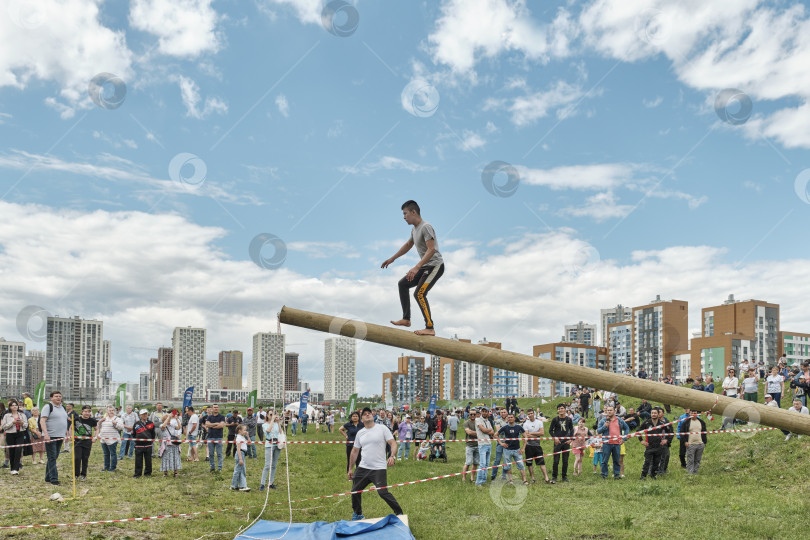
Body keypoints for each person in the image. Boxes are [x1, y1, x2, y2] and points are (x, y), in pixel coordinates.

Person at [382, 200, 445, 336]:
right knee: (402, 284)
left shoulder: (426, 227)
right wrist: (393, 258)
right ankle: (406, 319)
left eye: (405, 214)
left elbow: (431, 250)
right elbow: (408, 244)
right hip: (425, 266)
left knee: (419, 294)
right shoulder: (414, 229)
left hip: (435, 266)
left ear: (413, 212)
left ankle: (430, 327)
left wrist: (416, 267)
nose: (404, 217)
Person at [347, 407, 402, 521]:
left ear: (373, 416)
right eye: (364, 414)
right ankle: (358, 515)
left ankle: (399, 514)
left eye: (369, 413)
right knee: (355, 491)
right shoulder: (360, 433)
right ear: (361, 419)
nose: (367, 415)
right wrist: (350, 469)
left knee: (383, 492)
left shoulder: (382, 428)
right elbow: (355, 451)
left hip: (379, 468)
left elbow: (393, 443)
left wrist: (392, 456)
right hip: (363, 467)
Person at [40, 391, 68, 485]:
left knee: (54, 457)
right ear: (51, 398)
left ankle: (48, 477)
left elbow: (64, 421)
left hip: (60, 436)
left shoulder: (63, 408)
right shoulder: (48, 407)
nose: (58, 398)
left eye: (60, 396)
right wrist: (46, 434)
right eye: (56, 396)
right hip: (51, 436)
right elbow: (42, 421)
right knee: (52, 457)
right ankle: (54, 479)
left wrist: (66, 433)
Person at [638, 408, 673, 480]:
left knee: (656, 462)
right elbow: (638, 431)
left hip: (659, 446)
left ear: (658, 414)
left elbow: (670, 432)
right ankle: (643, 476)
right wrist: (641, 440)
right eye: (652, 413)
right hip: (649, 446)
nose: (653, 414)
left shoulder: (662, 423)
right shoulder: (646, 422)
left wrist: (666, 440)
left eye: (655, 413)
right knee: (647, 462)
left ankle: (653, 476)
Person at [597, 405, 629, 480]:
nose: (609, 412)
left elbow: (627, 428)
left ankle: (616, 475)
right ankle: (604, 475)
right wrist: (605, 426)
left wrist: (624, 438)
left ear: (614, 411)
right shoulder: (603, 421)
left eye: (610, 410)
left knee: (616, 460)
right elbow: (598, 431)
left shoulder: (620, 420)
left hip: (617, 443)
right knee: (604, 461)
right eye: (607, 410)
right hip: (606, 443)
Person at [498, 413, 528, 485]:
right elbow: (495, 435)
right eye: (509, 417)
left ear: (514, 418)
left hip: (517, 450)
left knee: (521, 465)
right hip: (507, 450)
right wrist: (501, 443)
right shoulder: (505, 427)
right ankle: (511, 480)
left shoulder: (519, 427)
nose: (510, 418)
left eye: (511, 417)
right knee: (508, 466)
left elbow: (526, 437)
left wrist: (523, 448)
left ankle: (524, 480)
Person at [522, 409, 550, 483]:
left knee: (542, 462)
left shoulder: (539, 422)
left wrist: (531, 433)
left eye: (531, 413)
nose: (530, 415)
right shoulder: (525, 423)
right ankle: (532, 478)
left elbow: (542, 433)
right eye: (529, 414)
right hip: (529, 446)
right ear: (527, 415)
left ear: (534, 414)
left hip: (537, 445)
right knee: (529, 463)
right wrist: (537, 433)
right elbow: (526, 435)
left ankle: (546, 478)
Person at [549, 403, 574, 484]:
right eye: (559, 408)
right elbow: (550, 430)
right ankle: (554, 477)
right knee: (556, 460)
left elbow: (572, 430)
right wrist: (555, 438)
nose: (560, 410)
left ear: (565, 409)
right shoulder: (555, 419)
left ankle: (564, 476)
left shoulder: (569, 419)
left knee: (565, 460)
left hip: (566, 442)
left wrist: (570, 439)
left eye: (562, 408)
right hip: (557, 442)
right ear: (557, 410)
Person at [72, 405, 98, 481]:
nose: (87, 413)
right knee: (77, 458)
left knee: (85, 458)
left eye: (89, 412)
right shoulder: (76, 419)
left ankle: (83, 475)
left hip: (87, 442)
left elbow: (96, 429)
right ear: (82, 412)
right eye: (85, 411)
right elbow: (71, 428)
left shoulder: (92, 420)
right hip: (77, 441)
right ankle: (76, 475)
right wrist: (71, 436)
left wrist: (95, 437)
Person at [1, 399, 27, 475]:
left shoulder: (22, 415)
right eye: (12, 405)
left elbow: (26, 425)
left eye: (16, 405)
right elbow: (4, 426)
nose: (14, 406)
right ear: (9, 407)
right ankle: (12, 468)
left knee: (18, 450)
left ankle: (16, 468)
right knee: (11, 451)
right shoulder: (6, 415)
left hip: (20, 433)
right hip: (10, 434)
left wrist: (21, 423)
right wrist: (12, 422)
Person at [260, 411, 282, 491]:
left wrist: (278, 422)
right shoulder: (264, 425)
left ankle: (270, 483)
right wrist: (272, 420)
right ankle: (262, 483)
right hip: (269, 445)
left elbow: (280, 432)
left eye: (274, 414)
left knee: (274, 465)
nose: (272, 416)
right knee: (267, 465)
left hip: (277, 445)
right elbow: (268, 431)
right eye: (271, 414)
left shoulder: (276, 424)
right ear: (267, 416)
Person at [97, 406, 123, 472]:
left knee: (113, 453)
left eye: (112, 410)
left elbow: (121, 427)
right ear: (107, 411)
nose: (111, 411)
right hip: (103, 439)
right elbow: (98, 427)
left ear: (115, 411)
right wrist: (100, 422)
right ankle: (106, 467)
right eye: (109, 410)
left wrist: (116, 423)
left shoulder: (117, 419)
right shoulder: (104, 419)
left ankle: (112, 468)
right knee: (106, 454)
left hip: (112, 439)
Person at [132, 409, 156, 478]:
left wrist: (150, 441)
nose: (145, 415)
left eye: (146, 414)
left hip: (148, 445)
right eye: (143, 414)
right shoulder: (136, 424)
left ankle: (148, 473)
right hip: (139, 445)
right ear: (140, 415)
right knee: (138, 460)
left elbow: (153, 434)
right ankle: (137, 474)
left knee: (148, 460)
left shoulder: (151, 423)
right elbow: (133, 434)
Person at [475, 407, 495, 487]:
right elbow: (484, 430)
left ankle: (484, 480)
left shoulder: (488, 421)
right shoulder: (478, 420)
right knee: (482, 464)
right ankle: (478, 482)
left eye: (485, 411)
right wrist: (489, 430)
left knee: (486, 464)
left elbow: (493, 432)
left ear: (488, 412)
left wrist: (489, 430)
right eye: (482, 411)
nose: (484, 413)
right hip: (482, 444)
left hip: (489, 443)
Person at [682, 410, 707, 474]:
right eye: (692, 413)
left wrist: (704, 442)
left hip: (700, 444)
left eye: (695, 413)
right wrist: (685, 441)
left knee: (697, 460)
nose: (693, 414)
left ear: (697, 414)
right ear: (689, 414)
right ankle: (690, 473)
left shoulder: (701, 422)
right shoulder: (686, 422)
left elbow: (704, 433)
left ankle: (695, 472)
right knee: (690, 460)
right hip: (690, 444)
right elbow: (682, 433)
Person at [160, 410, 182, 477]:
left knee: (175, 457)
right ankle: (165, 473)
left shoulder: (172, 425)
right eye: (167, 419)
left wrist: (176, 419)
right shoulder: (162, 425)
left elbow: (179, 427)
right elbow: (163, 426)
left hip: (173, 443)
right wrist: (168, 417)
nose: (169, 420)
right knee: (165, 458)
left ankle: (175, 473)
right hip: (166, 444)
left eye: (169, 419)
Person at [205, 404, 226, 472]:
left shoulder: (222, 417)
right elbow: (207, 424)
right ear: (212, 409)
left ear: (218, 408)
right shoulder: (209, 417)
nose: (216, 408)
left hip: (219, 437)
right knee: (211, 454)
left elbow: (221, 425)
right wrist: (216, 423)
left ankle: (219, 468)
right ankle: (212, 467)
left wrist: (212, 426)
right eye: (214, 407)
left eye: (217, 407)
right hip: (210, 437)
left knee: (219, 454)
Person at [490, 408, 508, 481]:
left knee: (506, 460)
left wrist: (504, 429)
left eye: (504, 412)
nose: (503, 413)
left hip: (507, 443)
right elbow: (498, 431)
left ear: (507, 413)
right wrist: (507, 429)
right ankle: (493, 476)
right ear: (500, 413)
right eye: (501, 412)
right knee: (497, 460)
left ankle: (504, 476)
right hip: (500, 443)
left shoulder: (510, 420)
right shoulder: (497, 421)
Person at [231, 424, 250, 491]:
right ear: (239, 431)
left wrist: (247, 436)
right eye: (244, 430)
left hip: (243, 454)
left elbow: (249, 443)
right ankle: (239, 486)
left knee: (241, 470)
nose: (245, 431)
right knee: (239, 470)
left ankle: (237, 485)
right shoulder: (238, 438)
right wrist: (240, 458)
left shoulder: (243, 437)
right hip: (240, 454)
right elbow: (238, 449)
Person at [461, 410, 479, 483]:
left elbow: (474, 432)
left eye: (474, 414)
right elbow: (469, 432)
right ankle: (464, 478)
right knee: (468, 463)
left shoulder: (478, 423)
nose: (472, 415)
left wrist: (474, 433)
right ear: (469, 415)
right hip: (469, 445)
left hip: (478, 445)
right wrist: (479, 433)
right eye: (471, 414)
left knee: (475, 463)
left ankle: (472, 478)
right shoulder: (466, 423)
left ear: (476, 415)